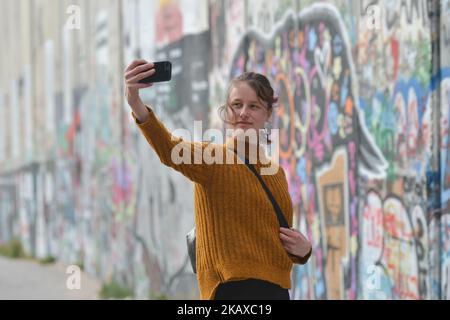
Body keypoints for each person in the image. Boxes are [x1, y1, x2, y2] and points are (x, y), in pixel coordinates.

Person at [124, 59, 312, 300]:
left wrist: (304, 251)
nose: (243, 113)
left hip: (276, 291)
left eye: (253, 106)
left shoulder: (275, 173)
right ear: (227, 111)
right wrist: (135, 101)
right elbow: (167, 147)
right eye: (236, 104)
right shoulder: (212, 160)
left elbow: (279, 241)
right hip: (230, 291)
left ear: (267, 114)